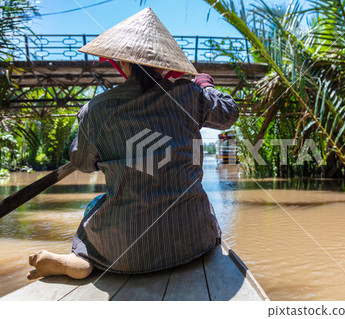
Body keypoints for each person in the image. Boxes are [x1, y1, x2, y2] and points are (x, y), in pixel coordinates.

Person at [27, 7, 238, 280]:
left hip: (122, 253)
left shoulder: (96, 110)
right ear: (164, 66)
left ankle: (82, 258)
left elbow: (83, 164)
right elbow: (228, 113)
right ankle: (83, 257)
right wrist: (206, 85)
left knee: (97, 203)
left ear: (122, 63)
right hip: (194, 241)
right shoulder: (191, 95)